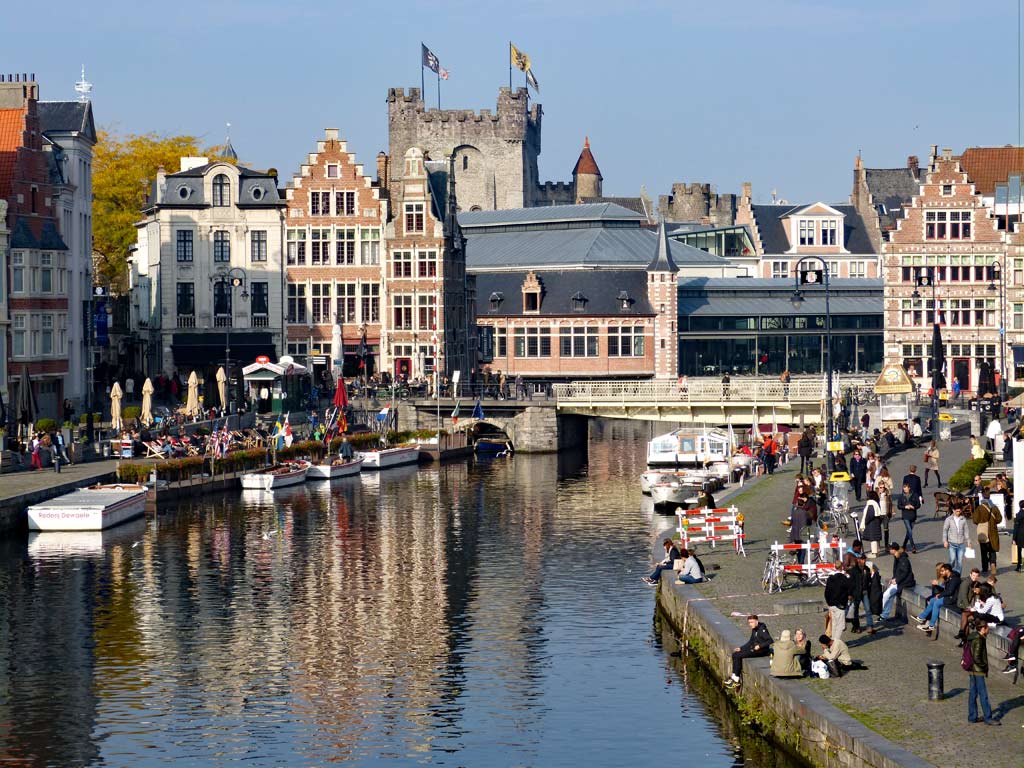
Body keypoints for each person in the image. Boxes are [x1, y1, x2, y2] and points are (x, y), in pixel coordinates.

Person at [965, 620, 1001, 725]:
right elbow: (977, 656)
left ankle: (972, 716)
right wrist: (984, 666)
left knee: (973, 693)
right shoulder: (979, 639)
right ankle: (988, 718)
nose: (988, 629)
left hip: (972, 669)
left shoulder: (972, 637)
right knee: (983, 694)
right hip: (978, 670)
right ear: (983, 628)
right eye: (987, 627)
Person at [727, 614, 772, 688]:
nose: (750, 624)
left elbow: (770, 640)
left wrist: (760, 646)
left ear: (756, 621)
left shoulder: (762, 629)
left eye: (752, 622)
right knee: (735, 654)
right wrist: (741, 648)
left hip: (762, 651)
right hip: (755, 649)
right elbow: (751, 641)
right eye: (749, 623)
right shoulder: (754, 629)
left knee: (738, 656)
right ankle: (734, 676)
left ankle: (737, 680)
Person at [915, 563, 961, 634]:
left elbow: (950, 591)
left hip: (952, 599)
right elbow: (947, 589)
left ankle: (931, 625)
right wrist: (940, 594)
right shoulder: (949, 577)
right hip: (948, 596)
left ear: (947, 570)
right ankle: (922, 617)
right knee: (932, 600)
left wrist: (940, 595)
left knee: (936, 603)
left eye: (942, 571)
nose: (941, 572)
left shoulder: (954, 579)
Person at [880, 543, 916, 622]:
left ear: (894, 550)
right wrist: (893, 578)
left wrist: (896, 580)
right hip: (900, 581)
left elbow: (905, 572)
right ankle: (884, 615)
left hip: (905, 582)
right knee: (889, 596)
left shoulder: (903, 559)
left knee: (886, 595)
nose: (889, 550)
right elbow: (897, 571)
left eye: (890, 549)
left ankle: (879, 611)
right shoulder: (897, 557)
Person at [972, 491, 1002, 576]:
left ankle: (985, 568)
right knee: (992, 549)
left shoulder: (979, 508)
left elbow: (975, 520)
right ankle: (993, 564)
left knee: (984, 551)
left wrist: (981, 523)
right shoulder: (994, 507)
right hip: (993, 532)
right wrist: (993, 522)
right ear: (989, 498)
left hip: (983, 532)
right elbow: (999, 519)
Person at [823, 569, 851, 641]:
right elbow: (849, 590)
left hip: (831, 604)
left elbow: (826, 592)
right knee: (840, 625)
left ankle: (833, 639)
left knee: (834, 624)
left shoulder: (830, 579)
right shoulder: (844, 579)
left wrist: (829, 603)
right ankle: (835, 642)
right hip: (840, 605)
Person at [943, 504, 971, 575]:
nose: (958, 512)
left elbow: (966, 531)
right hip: (952, 543)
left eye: (959, 511)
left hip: (961, 544)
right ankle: (949, 575)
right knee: (952, 560)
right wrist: (945, 541)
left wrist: (968, 541)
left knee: (959, 562)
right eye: (957, 511)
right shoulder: (949, 519)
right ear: (953, 510)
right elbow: (945, 530)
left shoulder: (963, 519)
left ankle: (957, 576)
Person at [895, 482, 921, 553]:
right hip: (905, 516)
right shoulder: (901, 496)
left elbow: (918, 505)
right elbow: (898, 506)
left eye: (906, 487)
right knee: (909, 531)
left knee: (908, 533)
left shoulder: (915, 495)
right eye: (904, 487)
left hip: (913, 515)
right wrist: (905, 506)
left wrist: (914, 507)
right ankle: (913, 547)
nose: (905, 489)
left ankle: (903, 545)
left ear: (909, 488)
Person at [860, 490, 884, 558]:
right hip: (876, 522)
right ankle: (877, 550)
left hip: (872, 524)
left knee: (873, 539)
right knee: (876, 538)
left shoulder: (871, 504)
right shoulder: (876, 503)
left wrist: (865, 522)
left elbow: (869, 515)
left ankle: (874, 553)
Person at [1014, 499, 1024, 572]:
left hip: (1020, 536)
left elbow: (1016, 528)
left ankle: (1019, 566)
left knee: (1019, 551)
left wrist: (1014, 538)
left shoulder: (1019, 515)